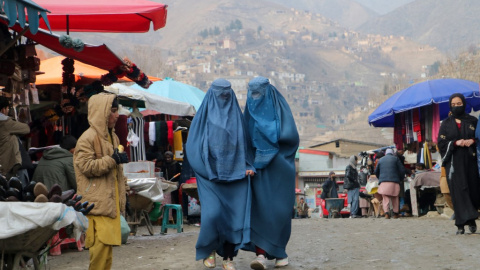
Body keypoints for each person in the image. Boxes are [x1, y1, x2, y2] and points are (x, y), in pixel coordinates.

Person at [186, 79, 255, 270]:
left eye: (226, 94)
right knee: (213, 215)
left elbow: (246, 146)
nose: (223, 98)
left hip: (237, 176)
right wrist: (205, 170)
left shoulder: (237, 118)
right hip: (209, 176)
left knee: (234, 218)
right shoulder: (203, 117)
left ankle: (228, 258)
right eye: (219, 94)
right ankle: (208, 250)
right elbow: (192, 147)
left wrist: (249, 166)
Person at [240, 76, 299, 270]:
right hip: (256, 172)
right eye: (252, 93)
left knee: (280, 211)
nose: (255, 98)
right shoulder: (248, 114)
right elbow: (243, 141)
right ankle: (261, 254)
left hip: (280, 170)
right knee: (260, 212)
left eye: (259, 93)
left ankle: (280, 251)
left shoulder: (281, 111)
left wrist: (272, 153)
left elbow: (291, 139)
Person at [73, 93, 129, 269]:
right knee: (99, 253)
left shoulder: (113, 137)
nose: (117, 115)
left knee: (106, 256)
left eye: (116, 110)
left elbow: (117, 172)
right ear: (101, 113)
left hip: (109, 204)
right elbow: (86, 167)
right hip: (96, 206)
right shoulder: (87, 138)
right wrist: (113, 159)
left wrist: (124, 188)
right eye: (112, 111)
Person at [439, 93, 480, 235]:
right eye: (454, 105)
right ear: (450, 105)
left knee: (473, 190)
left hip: (471, 161)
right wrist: (455, 143)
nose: (456, 107)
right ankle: (461, 224)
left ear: (464, 104)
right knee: (458, 191)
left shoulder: (472, 121)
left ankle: (472, 219)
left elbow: (478, 137)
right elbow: (441, 143)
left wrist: (473, 141)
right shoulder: (446, 124)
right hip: (454, 163)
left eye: (459, 104)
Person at [0, 96, 30, 181]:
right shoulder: (6, 123)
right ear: (3, 109)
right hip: (7, 167)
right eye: (7, 108)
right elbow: (26, 129)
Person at [374, 148, 405, 219]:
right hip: (394, 182)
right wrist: (400, 178)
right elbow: (402, 170)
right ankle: (395, 214)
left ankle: (386, 214)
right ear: (392, 153)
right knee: (395, 198)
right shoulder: (396, 159)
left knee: (385, 199)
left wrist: (380, 178)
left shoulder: (381, 160)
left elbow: (376, 171)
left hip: (384, 182)